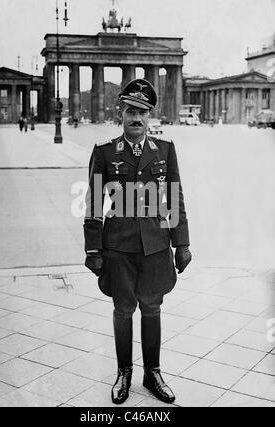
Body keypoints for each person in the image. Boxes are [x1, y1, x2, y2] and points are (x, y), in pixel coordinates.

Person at [84, 79, 192, 405]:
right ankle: (124, 373)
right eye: (131, 110)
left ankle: (153, 373)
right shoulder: (104, 153)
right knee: (123, 309)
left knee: (153, 308)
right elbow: (92, 204)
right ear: (121, 112)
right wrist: (92, 249)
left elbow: (174, 201)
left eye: (143, 112)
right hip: (117, 247)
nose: (136, 118)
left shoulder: (165, 151)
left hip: (156, 247)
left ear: (150, 117)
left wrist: (182, 243)